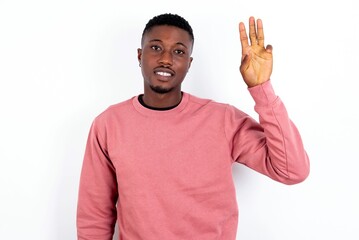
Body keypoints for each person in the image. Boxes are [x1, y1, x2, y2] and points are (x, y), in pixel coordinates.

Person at [76, 13, 310, 240]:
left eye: (178, 51)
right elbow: (94, 215)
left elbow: (292, 171)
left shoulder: (223, 120)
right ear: (139, 56)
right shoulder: (109, 124)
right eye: (156, 47)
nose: (166, 59)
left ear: (189, 64)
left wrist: (262, 88)